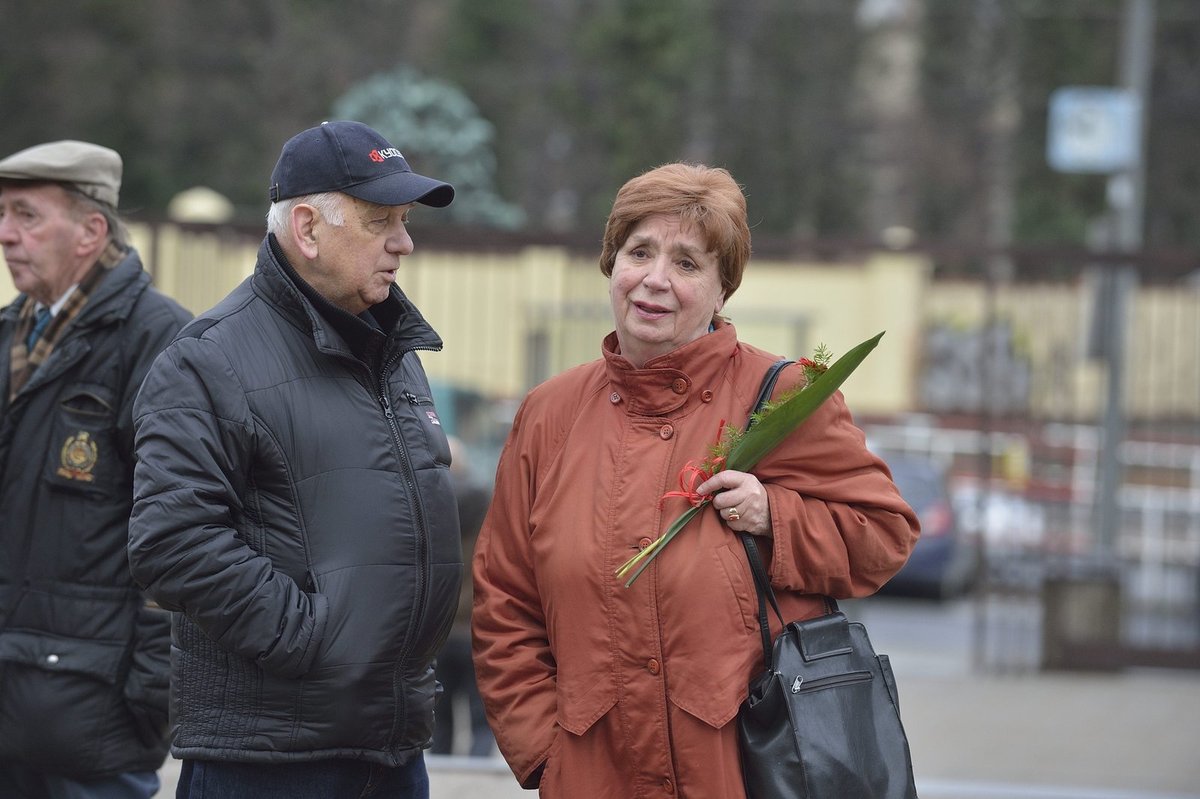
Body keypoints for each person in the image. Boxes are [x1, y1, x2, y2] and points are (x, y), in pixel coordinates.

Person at [471, 162, 921, 798]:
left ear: (721, 290)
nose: (655, 280)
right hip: (597, 776)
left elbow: (885, 537)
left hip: (746, 770)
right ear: (611, 263)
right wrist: (547, 754)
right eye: (640, 252)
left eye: (687, 264)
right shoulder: (550, 412)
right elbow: (505, 599)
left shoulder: (783, 397)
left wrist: (775, 515)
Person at [128, 121, 460, 799]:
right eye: (381, 222)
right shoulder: (208, 361)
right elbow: (171, 542)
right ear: (307, 228)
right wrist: (317, 641)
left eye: (404, 221)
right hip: (268, 762)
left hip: (392, 749)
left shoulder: (392, 356)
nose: (405, 242)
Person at [0, 140, 192, 798]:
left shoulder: (161, 343)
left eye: (26, 215)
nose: (5, 234)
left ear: (91, 231)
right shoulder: (8, 339)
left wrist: (150, 698)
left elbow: (182, 534)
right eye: (2, 214)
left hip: (92, 731)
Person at [431, 438, 495, 758]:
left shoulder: (428, 504)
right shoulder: (486, 504)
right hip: (475, 627)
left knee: (439, 720)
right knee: (480, 718)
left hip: (437, 628)